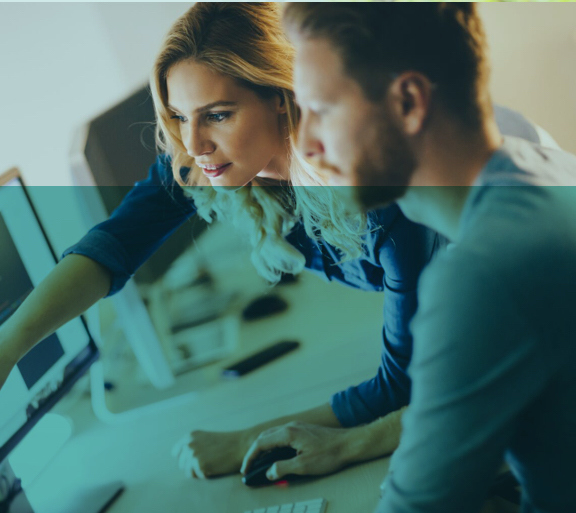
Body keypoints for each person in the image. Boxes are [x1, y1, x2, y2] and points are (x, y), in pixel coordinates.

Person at [0, 2, 550, 485]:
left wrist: (248, 440)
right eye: (177, 117)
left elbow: (405, 384)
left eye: (217, 115)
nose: (192, 145)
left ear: (282, 98)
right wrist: (8, 345)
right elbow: (112, 245)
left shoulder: (380, 181)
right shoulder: (211, 157)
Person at [283, 2, 576, 513]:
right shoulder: (545, 170)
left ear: (409, 102)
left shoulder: (484, 271)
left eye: (321, 109)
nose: (303, 144)